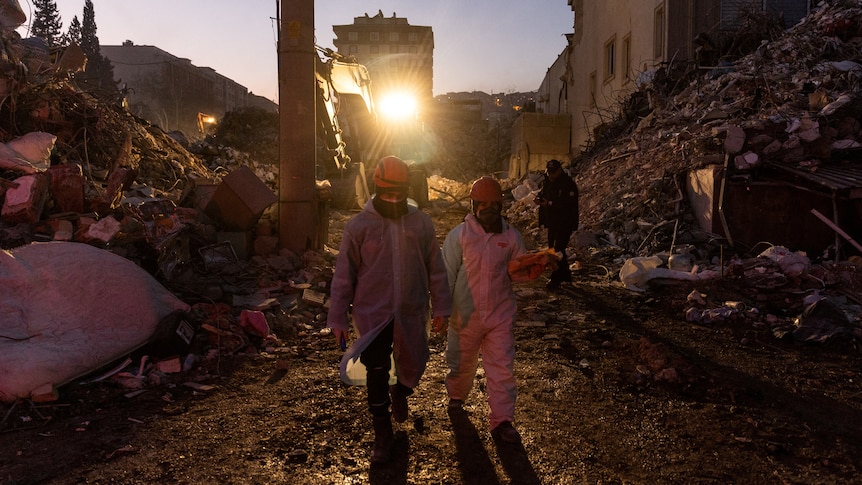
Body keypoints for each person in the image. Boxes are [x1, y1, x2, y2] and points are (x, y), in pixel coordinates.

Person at [327, 155, 451, 464]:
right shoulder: (359, 226)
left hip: (411, 309)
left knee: (414, 361)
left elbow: (436, 268)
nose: (394, 199)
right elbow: (345, 274)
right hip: (373, 314)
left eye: (400, 193)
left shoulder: (421, 223)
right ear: (377, 188)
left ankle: (403, 392)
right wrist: (337, 316)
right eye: (388, 194)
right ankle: (382, 432)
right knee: (377, 369)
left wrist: (442, 307)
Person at [442, 176, 544, 445]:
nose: (488, 209)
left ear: (501, 206)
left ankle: (502, 421)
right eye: (482, 204)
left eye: (493, 204)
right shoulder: (460, 236)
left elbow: (516, 272)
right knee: (460, 364)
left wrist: (533, 267)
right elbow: (445, 276)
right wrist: (440, 310)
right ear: (473, 205)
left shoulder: (511, 237)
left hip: (500, 315)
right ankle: (456, 398)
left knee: (501, 369)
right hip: (464, 316)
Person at [535, 159, 579, 290]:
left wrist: (549, 204)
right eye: (549, 172)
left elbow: (567, 204)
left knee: (557, 249)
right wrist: (539, 199)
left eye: (553, 172)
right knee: (553, 248)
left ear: (560, 170)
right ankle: (565, 274)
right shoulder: (547, 181)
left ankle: (555, 278)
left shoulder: (568, 184)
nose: (551, 175)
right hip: (552, 221)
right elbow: (544, 194)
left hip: (565, 221)